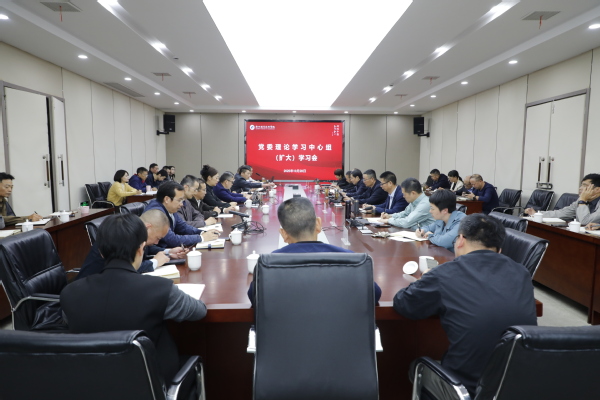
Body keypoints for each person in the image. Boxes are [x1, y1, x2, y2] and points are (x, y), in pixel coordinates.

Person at [393, 214, 536, 398]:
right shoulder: (522, 273)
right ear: (499, 249)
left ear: (460, 240)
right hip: (517, 385)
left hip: (465, 389)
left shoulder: (445, 274)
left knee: (416, 367)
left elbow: (404, 304)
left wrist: (426, 278)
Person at [61, 213, 207, 383]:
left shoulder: (70, 294)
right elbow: (199, 311)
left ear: (101, 252)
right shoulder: (160, 289)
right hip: (150, 383)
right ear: (140, 249)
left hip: (89, 383)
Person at [247, 197, 382, 305]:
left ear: (283, 234)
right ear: (318, 224)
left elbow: (256, 300)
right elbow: (374, 295)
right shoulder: (352, 261)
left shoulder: (267, 265)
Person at [76, 210, 187, 280]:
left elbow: (148, 248)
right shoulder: (123, 234)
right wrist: (155, 262)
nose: (157, 242)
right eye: (158, 238)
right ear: (148, 227)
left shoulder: (134, 231)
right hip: (92, 288)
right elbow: (126, 267)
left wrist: (168, 252)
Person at [144, 181, 220, 248]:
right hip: (157, 252)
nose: (182, 204)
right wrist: (201, 238)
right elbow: (172, 240)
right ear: (167, 199)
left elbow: (183, 227)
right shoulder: (156, 213)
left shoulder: (170, 208)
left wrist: (202, 232)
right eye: (179, 200)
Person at [525, 173, 600, 225]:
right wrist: (537, 214)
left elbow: (584, 221)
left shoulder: (582, 200)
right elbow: (562, 213)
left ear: (597, 189)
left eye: (585, 186)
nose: (580, 188)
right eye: (581, 185)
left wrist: (582, 201)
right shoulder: (581, 200)